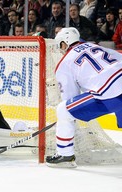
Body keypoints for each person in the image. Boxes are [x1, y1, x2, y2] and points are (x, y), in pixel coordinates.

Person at [46, 27, 122, 168]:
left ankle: (65, 154)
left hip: (111, 95)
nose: (61, 49)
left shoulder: (64, 63)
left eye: (60, 46)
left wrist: (65, 121)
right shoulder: (96, 46)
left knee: (63, 110)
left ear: (64, 43)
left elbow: (70, 98)